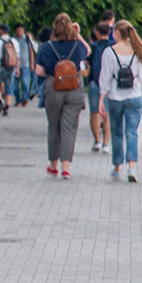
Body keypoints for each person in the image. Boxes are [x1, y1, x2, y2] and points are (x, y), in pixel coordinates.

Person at [35, 13, 88, 179]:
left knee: (54, 126)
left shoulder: (47, 46)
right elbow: (88, 51)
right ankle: (66, 167)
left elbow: (38, 71)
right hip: (74, 88)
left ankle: (53, 165)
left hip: (54, 88)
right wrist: (77, 34)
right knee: (69, 127)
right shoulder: (77, 45)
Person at [99, 19, 142, 182]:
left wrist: (101, 98)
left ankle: (116, 167)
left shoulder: (109, 52)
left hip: (115, 98)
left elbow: (105, 77)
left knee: (116, 133)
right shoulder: (137, 51)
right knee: (131, 132)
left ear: (117, 33)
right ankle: (132, 167)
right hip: (134, 97)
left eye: (113, 32)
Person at [87, 20, 113, 153]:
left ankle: (97, 140)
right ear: (109, 32)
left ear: (96, 33)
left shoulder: (92, 47)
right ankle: (106, 144)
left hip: (94, 82)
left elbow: (86, 65)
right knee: (107, 113)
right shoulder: (113, 46)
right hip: (110, 84)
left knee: (94, 112)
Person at [12, 24, 37, 107]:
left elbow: (31, 51)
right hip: (15, 64)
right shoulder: (13, 39)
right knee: (15, 84)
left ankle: (25, 98)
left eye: (20, 29)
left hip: (25, 64)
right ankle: (18, 100)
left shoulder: (26, 38)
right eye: (17, 30)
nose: (19, 31)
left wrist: (32, 63)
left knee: (25, 82)